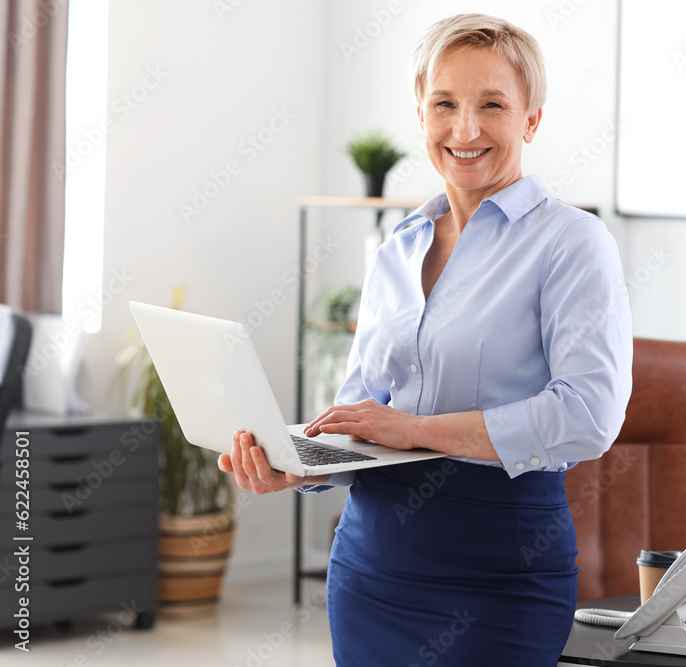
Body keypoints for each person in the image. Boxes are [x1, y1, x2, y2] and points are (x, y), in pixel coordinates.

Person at [219, 13, 632, 665]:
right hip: (372, 572)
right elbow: (363, 414)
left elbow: (588, 415)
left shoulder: (572, 243)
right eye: (445, 104)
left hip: (501, 574)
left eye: (492, 104)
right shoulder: (395, 250)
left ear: (531, 120)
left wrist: (416, 428)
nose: (465, 129)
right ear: (421, 115)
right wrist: (296, 465)